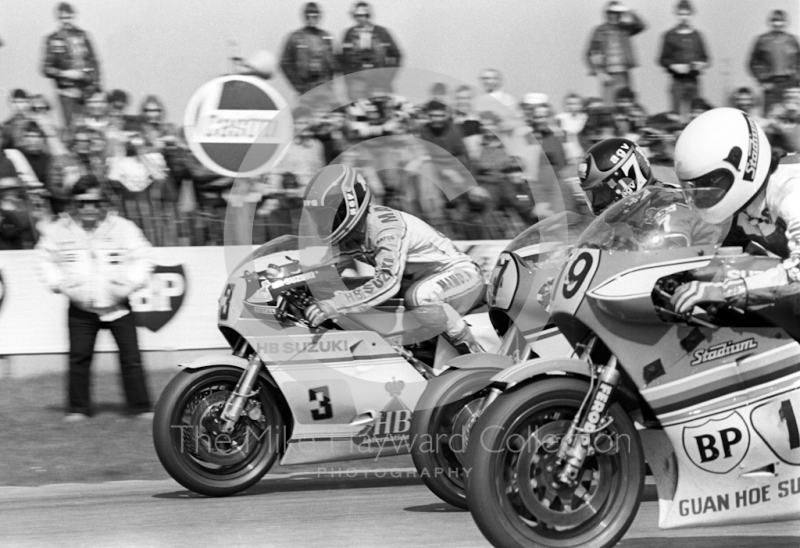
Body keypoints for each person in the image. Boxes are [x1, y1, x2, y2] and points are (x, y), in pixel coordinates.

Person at [301, 164, 486, 354]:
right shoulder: (348, 234)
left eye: (326, 214)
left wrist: (334, 305)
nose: (322, 223)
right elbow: (320, 270)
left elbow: (387, 282)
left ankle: (475, 355)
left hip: (461, 274)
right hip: (418, 280)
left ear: (349, 204)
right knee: (346, 287)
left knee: (420, 297)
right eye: (318, 217)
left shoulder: (385, 228)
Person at [35, 178, 153, 420]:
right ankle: (78, 409)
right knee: (79, 358)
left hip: (119, 305)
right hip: (81, 307)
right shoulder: (58, 230)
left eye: (95, 202)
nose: (89, 207)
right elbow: (44, 259)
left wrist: (129, 284)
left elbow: (143, 257)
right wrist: (59, 284)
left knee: (131, 358)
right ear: (73, 204)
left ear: (103, 203)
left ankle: (141, 408)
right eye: (83, 202)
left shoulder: (123, 227)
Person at [669, 107, 800, 312]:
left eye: (709, 182)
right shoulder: (744, 203)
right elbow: (709, 249)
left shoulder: (792, 191)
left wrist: (721, 291)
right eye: (693, 187)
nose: (701, 194)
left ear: (743, 165)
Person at [579, 137, 721, 246]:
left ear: (626, 182)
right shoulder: (632, 217)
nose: (597, 203)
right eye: (591, 196)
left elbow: (670, 258)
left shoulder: (668, 208)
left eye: (601, 194)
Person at [41, 2, 101, 129]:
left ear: (73, 16)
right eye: (62, 18)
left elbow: (94, 62)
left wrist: (95, 87)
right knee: (72, 127)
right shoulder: (53, 40)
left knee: (90, 127)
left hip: (86, 91)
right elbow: (46, 69)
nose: (65, 21)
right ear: (58, 18)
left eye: (68, 17)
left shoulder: (83, 36)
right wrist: (65, 73)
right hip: (66, 91)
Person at [585, 0, 646, 106]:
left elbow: (641, 26)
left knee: (626, 102)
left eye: (617, 13)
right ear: (607, 14)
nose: (614, 15)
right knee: (609, 105)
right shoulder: (599, 30)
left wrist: (630, 12)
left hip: (623, 72)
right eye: (612, 13)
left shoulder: (625, 28)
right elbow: (589, 54)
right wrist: (600, 73)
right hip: (608, 74)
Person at [658, 0, 710, 123]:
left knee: (696, 115)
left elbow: (705, 58)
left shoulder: (697, 35)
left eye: (687, 14)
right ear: (676, 15)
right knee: (675, 117)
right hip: (678, 82)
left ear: (692, 15)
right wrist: (673, 66)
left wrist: (701, 65)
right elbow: (662, 59)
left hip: (693, 81)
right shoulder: (670, 35)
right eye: (681, 14)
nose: (684, 18)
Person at [341, 2, 403, 95]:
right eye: (359, 15)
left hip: (379, 82)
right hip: (357, 84)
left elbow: (396, 55)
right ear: (354, 16)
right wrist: (349, 80)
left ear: (369, 15)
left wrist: (387, 77)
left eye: (365, 15)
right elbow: (342, 59)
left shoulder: (382, 32)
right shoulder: (349, 34)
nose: (362, 18)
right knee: (358, 108)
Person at [749, 9, 800, 117]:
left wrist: (797, 81)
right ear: (770, 22)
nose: (778, 23)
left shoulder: (792, 40)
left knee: (790, 115)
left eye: (781, 20)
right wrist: (762, 81)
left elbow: (798, 61)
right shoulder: (762, 40)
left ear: (786, 22)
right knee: (771, 115)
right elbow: (752, 63)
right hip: (771, 84)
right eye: (775, 20)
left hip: (790, 84)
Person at [279, 2, 337, 96]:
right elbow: (285, 63)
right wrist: (299, 85)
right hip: (305, 87)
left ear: (319, 17)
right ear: (305, 17)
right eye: (309, 16)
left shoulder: (326, 37)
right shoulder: (295, 38)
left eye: (315, 16)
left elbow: (332, 64)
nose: (312, 19)